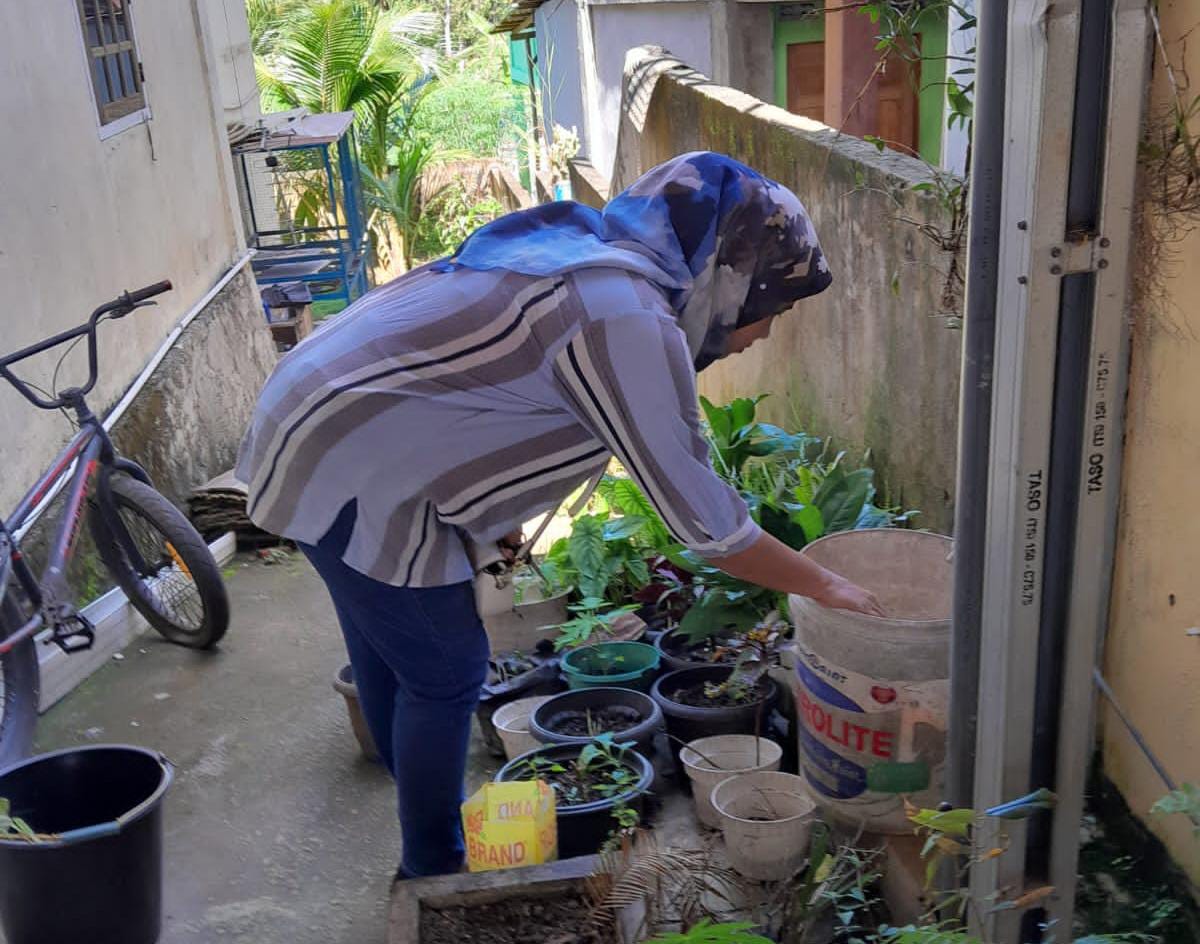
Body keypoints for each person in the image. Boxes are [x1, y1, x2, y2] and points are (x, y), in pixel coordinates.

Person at [236, 151, 883, 881]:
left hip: (315, 420)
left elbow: (487, 391)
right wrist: (829, 588)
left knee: (396, 650)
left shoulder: (599, 265)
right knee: (446, 670)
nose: (763, 334)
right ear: (730, 278)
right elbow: (710, 528)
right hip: (346, 457)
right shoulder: (622, 316)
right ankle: (432, 868)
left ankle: (415, 787)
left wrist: (494, 511)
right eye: (772, 308)